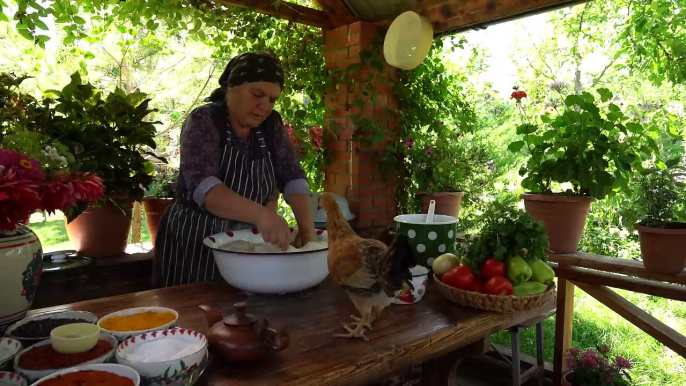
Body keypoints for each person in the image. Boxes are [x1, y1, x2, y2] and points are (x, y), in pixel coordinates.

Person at [153, 52, 316, 288]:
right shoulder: (204, 120)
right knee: (194, 313)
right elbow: (206, 190)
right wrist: (262, 215)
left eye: (272, 100)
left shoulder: (272, 126)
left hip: (246, 247)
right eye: (257, 95)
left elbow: (293, 178)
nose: (264, 106)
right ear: (231, 88)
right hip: (194, 242)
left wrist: (308, 235)